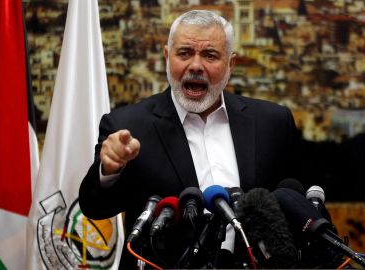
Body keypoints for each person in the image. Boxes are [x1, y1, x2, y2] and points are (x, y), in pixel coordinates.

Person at [79, 10, 302, 269]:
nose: (195, 66)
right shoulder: (128, 126)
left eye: (210, 55)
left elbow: (297, 205)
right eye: (184, 53)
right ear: (167, 57)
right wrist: (109, 169)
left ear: (231, 64)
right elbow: (94, 207)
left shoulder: (272, 122)